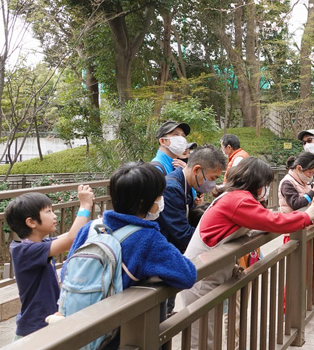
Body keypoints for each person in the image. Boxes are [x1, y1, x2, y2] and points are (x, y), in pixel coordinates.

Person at [176, 157, 314, 348]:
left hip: (208, 272)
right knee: (202, 338)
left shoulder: (233, 196)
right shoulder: (238, 200)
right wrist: (306, 216)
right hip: (202, 276)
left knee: (207, 335)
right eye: (266, 183)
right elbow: (272, 221)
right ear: (257, 182)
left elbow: (263, 221)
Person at [67, 163, 197, 292]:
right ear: (143, 202)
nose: (162, 199)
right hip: (120, 311)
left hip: (79, 309)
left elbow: (67, 271)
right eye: (159, 195)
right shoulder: (148, 238)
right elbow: (187, 276)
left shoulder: (91, 228)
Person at [6, 185, 94, 339]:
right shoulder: (26, 251)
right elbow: (71, 239)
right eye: (48, 212)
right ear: (31, 222)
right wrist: (85, 206)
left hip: (43, 323)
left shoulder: (36, 244)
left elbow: (71, 235)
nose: (55, 216)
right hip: (34, 329)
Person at [158, 145, 226, 253]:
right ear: (197, 169)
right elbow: (183, 235)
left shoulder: (186, 185)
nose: (212, 184)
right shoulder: (171, 189)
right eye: (212, 178)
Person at [278, 152, 314, 243]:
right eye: (310, 172)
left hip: (308, 229)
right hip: (294, 234)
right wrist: (313, 191)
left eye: (313, 173)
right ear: (299, 168)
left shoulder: (305, 181)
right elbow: (296, 204)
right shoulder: (287, 182)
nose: (311, 175)